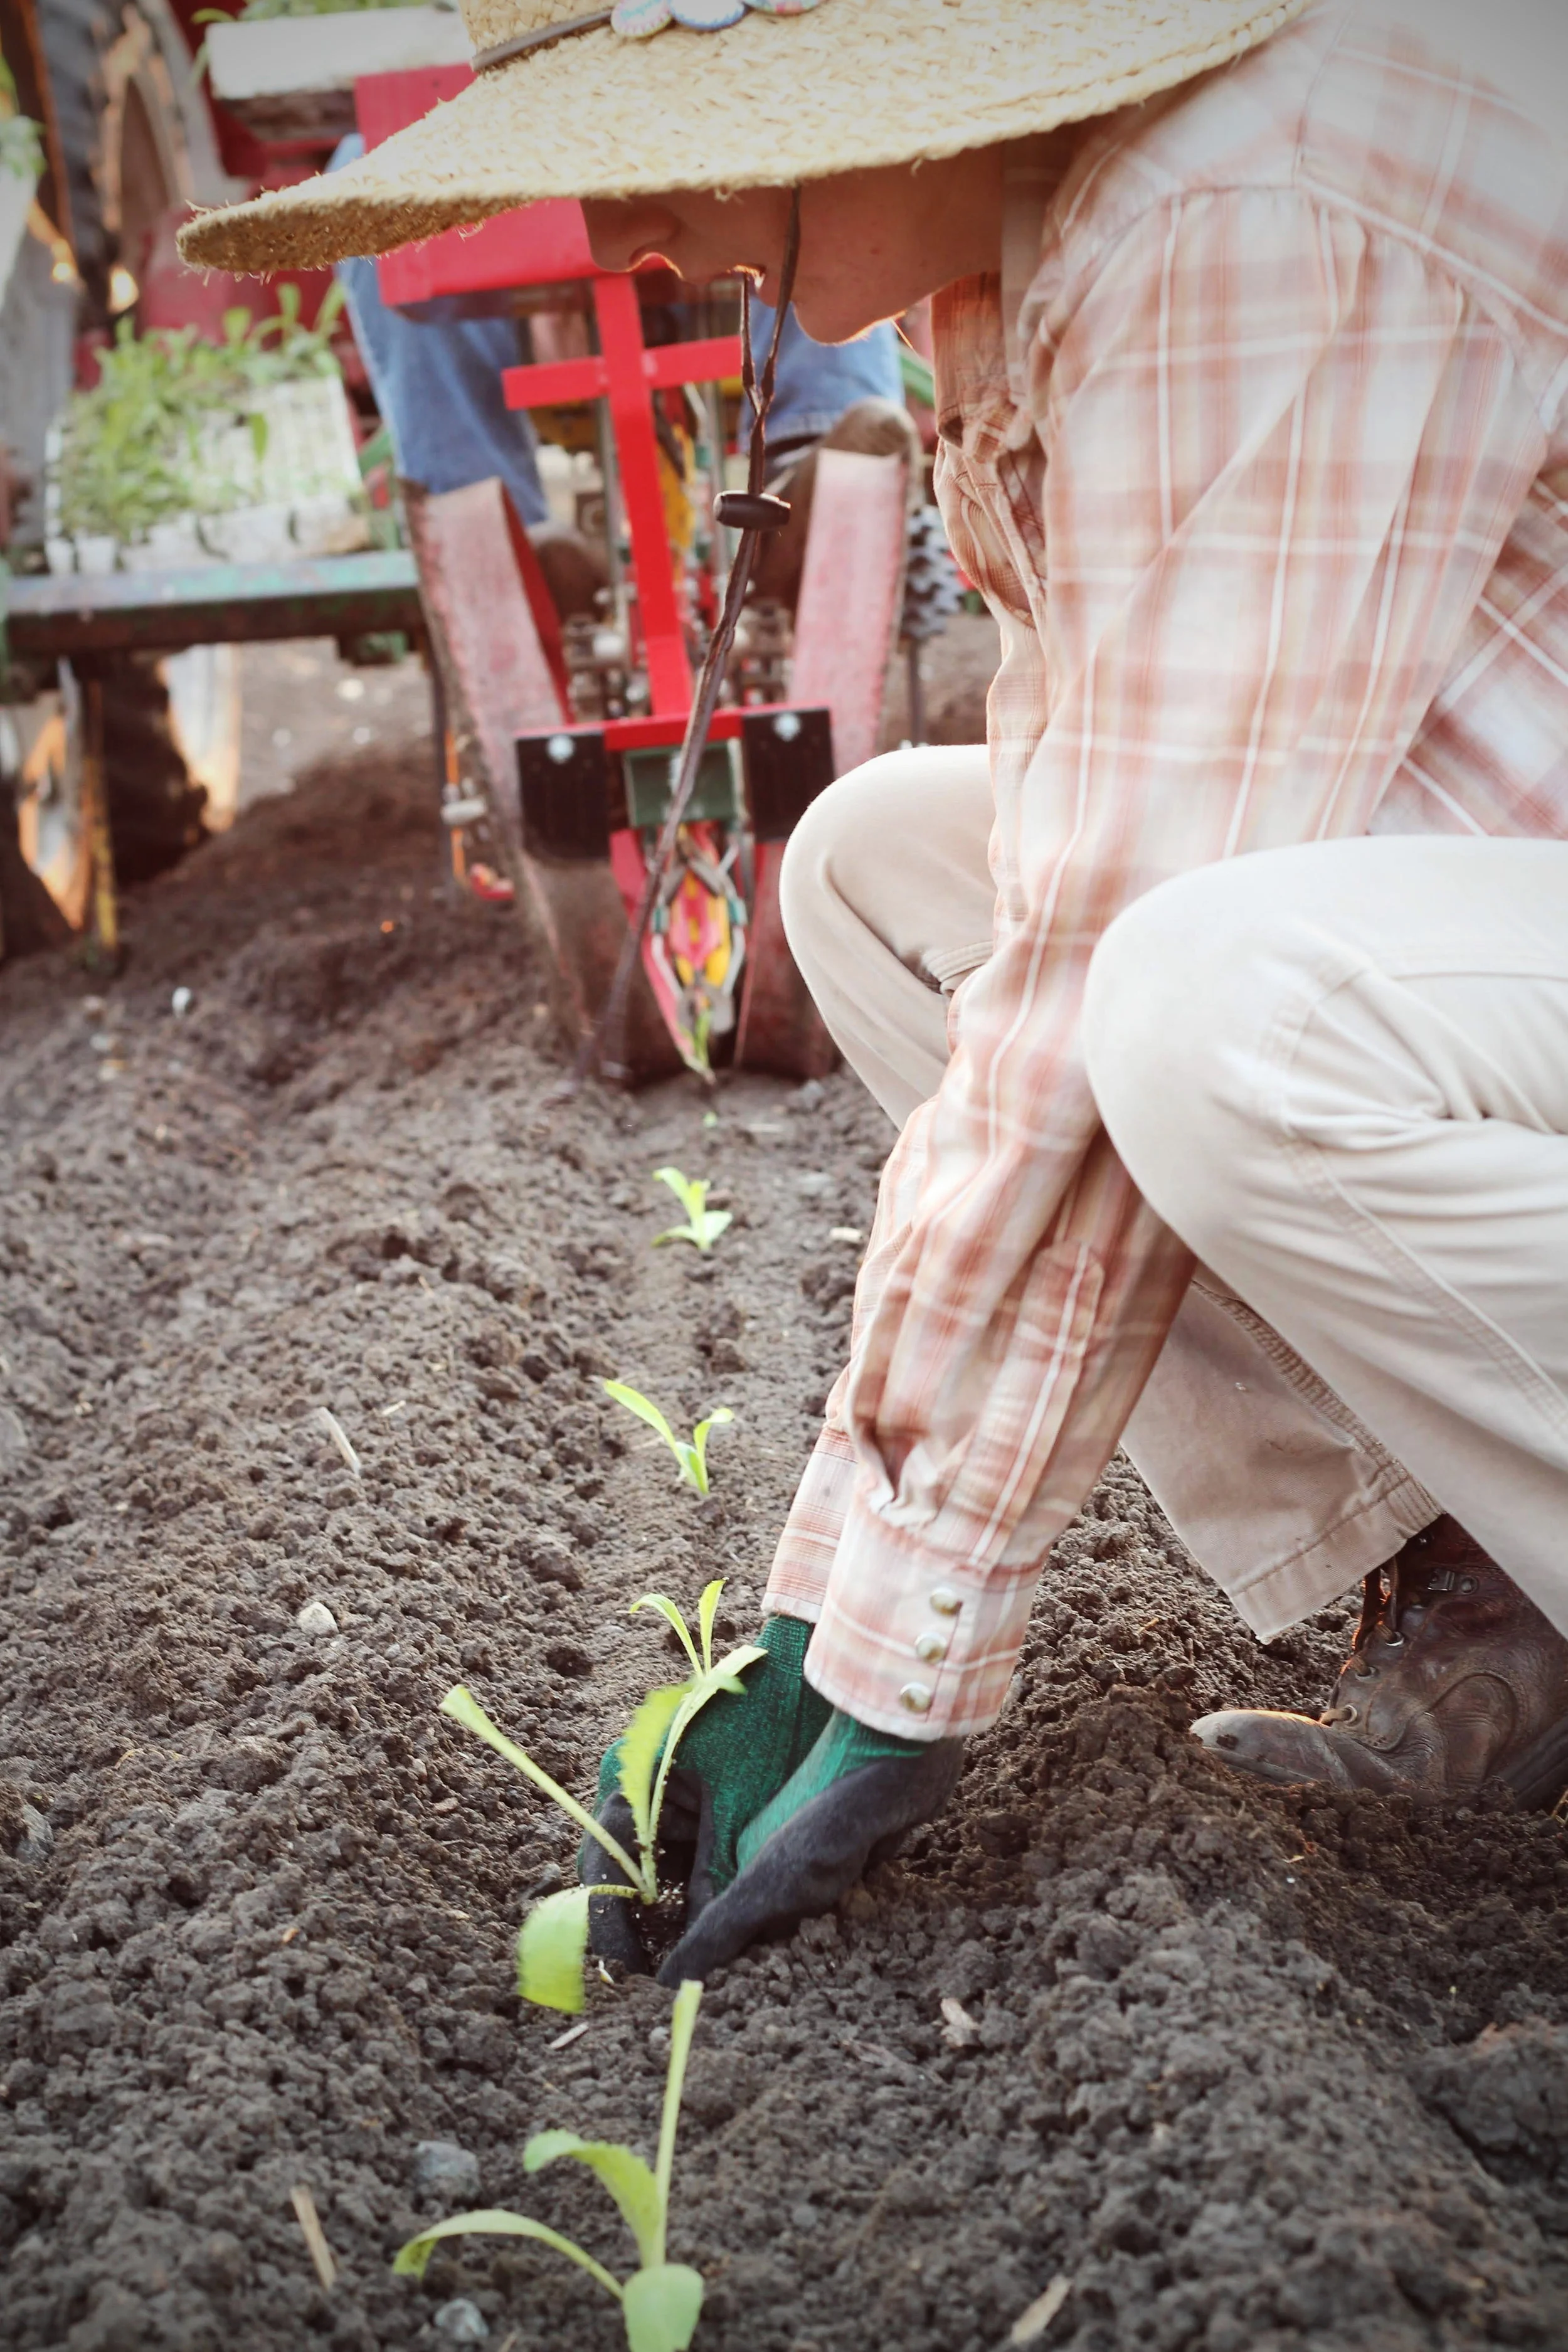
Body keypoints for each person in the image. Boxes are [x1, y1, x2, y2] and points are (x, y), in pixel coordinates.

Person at [181, 0, 1568, 1981]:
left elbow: (1124, 928)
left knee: (1204, 1007)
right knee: (879, 861)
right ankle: (1473, 1560)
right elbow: (1075, 845)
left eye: (660, 151)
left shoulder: (1253, 204)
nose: (623, 234)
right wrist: (826, 1602)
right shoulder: (1036, 243)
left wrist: (903, 1637)